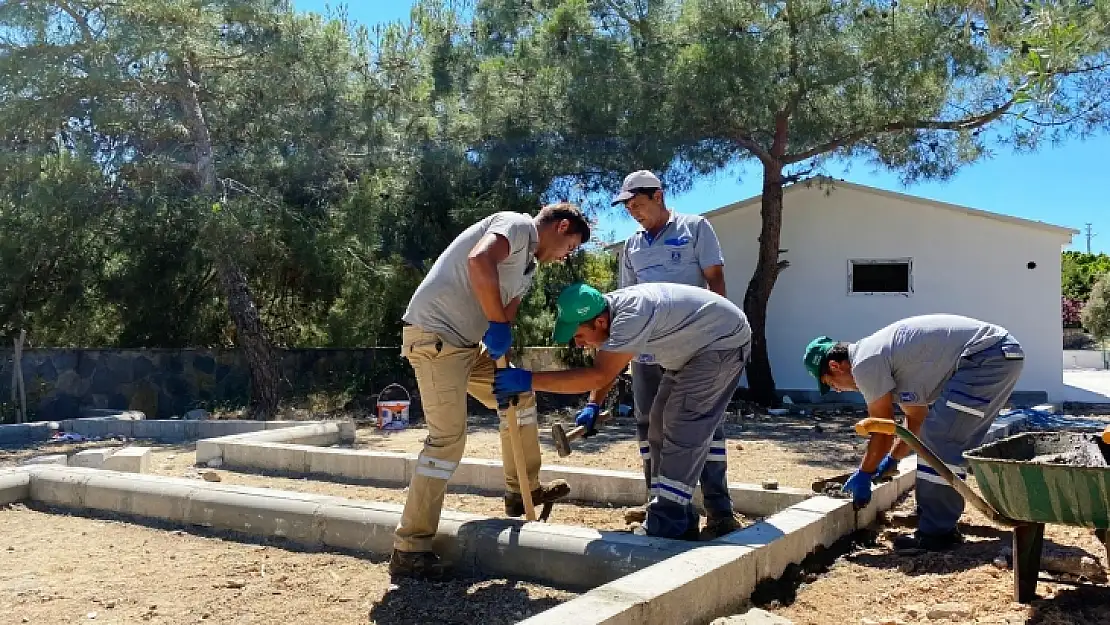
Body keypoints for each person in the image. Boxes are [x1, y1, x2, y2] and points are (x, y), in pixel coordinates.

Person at [391, 204, 592, 580]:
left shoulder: (528, 269)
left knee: (520, 397)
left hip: (468, 346)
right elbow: (479, 260)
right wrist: (497, 324)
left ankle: (523, 492)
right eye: (571, 246)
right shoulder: (516, 226)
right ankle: (410, 548)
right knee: (447, 440)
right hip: (435, 337)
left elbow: (506, 314)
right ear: (561, 226)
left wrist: (501, 338)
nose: (567, 256)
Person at [493, 281, 751, 540]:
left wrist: (528, 380)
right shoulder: (608, 313)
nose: (578, 343)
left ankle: (669, 520)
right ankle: (679, 519)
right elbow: (607, 368)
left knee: (682, 424)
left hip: (721, 344)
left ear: (600, 323)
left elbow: (599, 374)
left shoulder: (630, 317)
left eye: (579, 335)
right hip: (693, 350)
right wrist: (594, 404)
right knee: (658, 422)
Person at [577, 169, 738, 539]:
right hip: (647, 353)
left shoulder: (695, 228)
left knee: (704, 426)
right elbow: (623, 307)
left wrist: (716, 334)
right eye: (628, 207)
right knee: (650, 429)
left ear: (658, 196)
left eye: (638, 204)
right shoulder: (633, 246)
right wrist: (596, 396)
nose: (633, 211)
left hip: (693, 347)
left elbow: (715, 281)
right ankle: (662, 509)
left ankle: (720, 510)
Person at [802, 314, 1025, 551]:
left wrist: (865, 473)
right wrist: (892, 460)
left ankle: (936, 535)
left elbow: (883, 429)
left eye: (830, 383)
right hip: (997, 355)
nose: (836, 390)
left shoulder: (865, 364)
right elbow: (916, 422)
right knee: (943, 439)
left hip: (986, 357)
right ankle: (935, 521)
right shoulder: (885, 361)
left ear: (836, 366)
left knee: (941, 440)